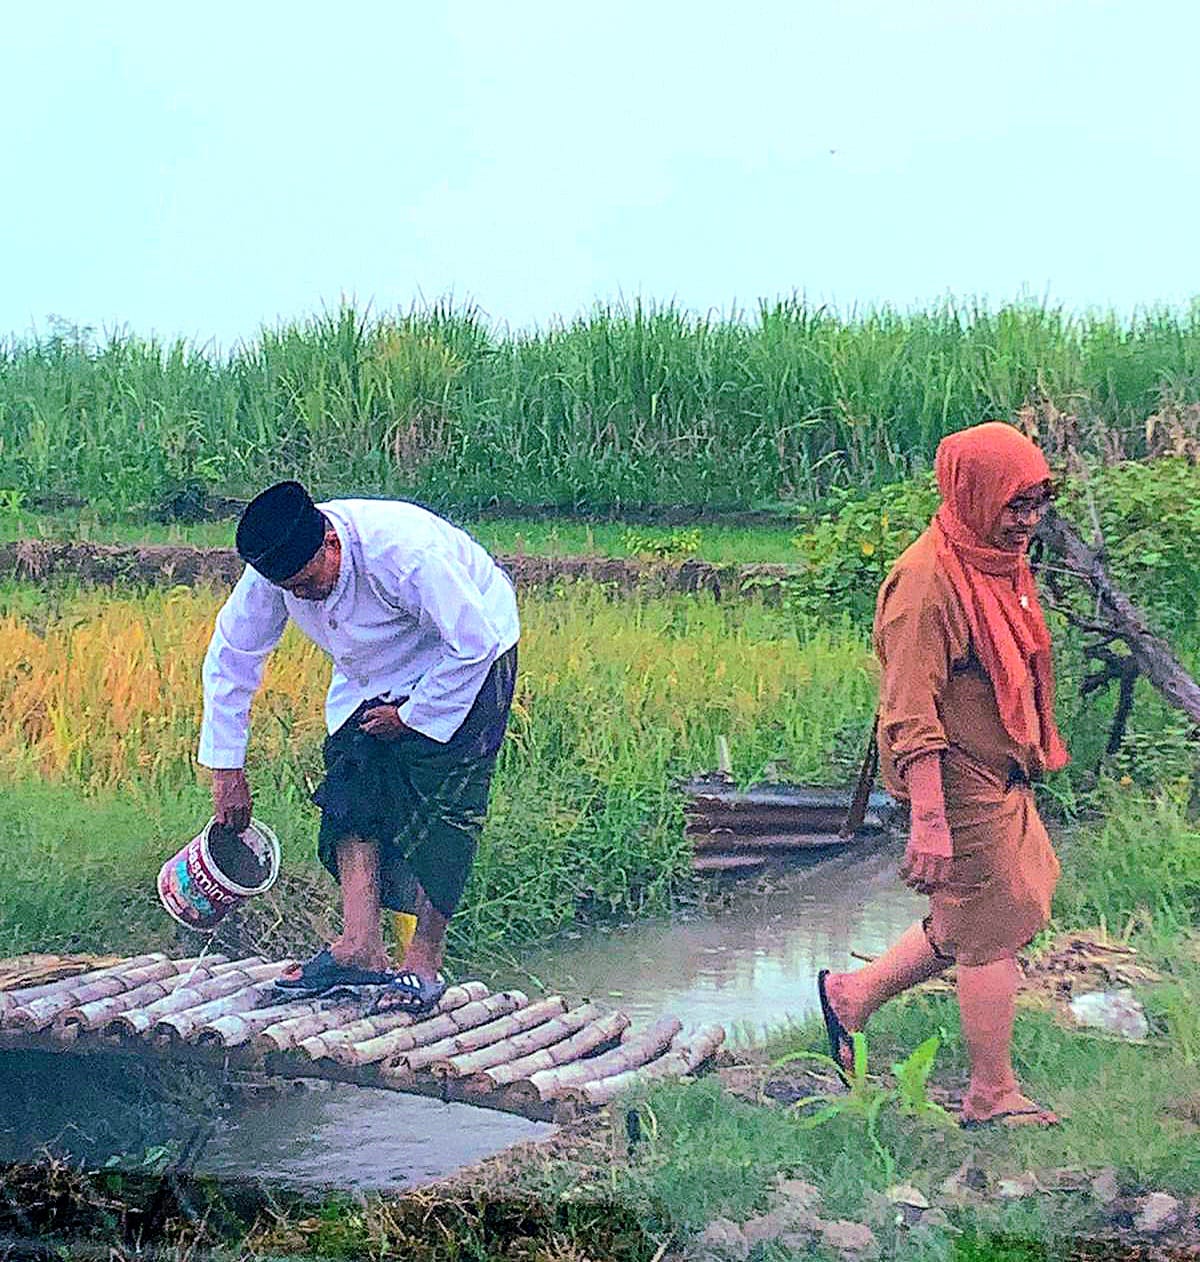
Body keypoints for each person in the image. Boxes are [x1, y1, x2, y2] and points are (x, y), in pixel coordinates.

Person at [817, 422, 1068, 1129]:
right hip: (952, 776)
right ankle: (991, 1093)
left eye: (1036, 504)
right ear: (972, 493)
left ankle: (852, 996)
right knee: (989, 929)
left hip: (998, 768)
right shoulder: (927, 583)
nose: (1027, 523)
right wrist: (928, 822)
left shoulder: (991, 560)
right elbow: (908, 713)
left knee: (1014, 899)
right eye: (1014, 505)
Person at [197, 481, 519, 1014]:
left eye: (307, 582)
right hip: (371, 674)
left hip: (466, 657)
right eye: (289, 589)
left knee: (447, 811)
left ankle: (423, 963)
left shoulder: (405, 553)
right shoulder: (275, 578)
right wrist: (227, 768)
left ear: (331, 542)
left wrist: (411, 717)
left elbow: (474, 642)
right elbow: (233, 655)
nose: (300, 595)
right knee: (349, 790)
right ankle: (359, 948)